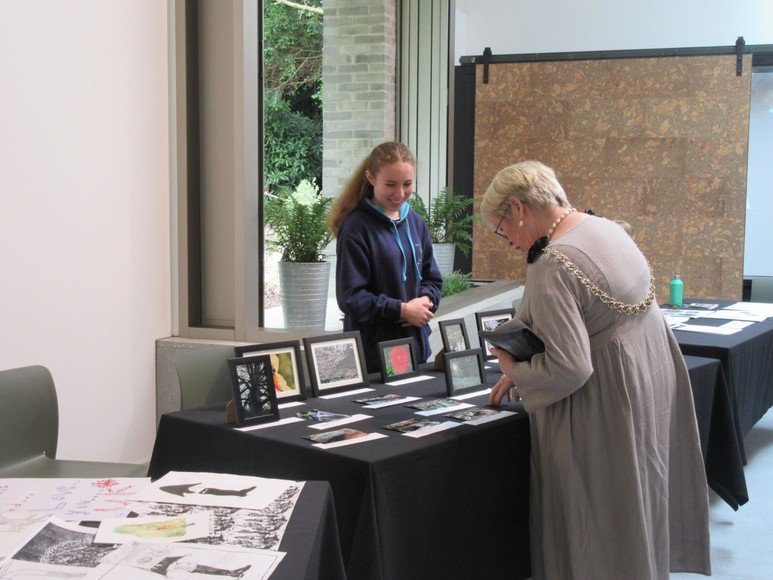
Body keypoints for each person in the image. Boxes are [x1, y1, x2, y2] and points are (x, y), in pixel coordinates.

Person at [481, 160, 710, 579]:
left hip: (606, 405)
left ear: (517, 208)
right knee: (639, 499)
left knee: (605, 519)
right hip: (646, 376)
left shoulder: (553, 262)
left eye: (502, 229)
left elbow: (569, 367)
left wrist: (517, 368)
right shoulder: (601, 226)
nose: (508, 241)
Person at [330, 142, 443, 373]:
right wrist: (402, 310)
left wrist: (425, 302)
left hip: (417, 351)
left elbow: (433, 280)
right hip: (373, 358)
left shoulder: (416, 223)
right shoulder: (355, 227)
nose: (400, 193)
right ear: (371, 178)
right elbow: (351, 298)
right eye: (390, 184)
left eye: (407, 184)